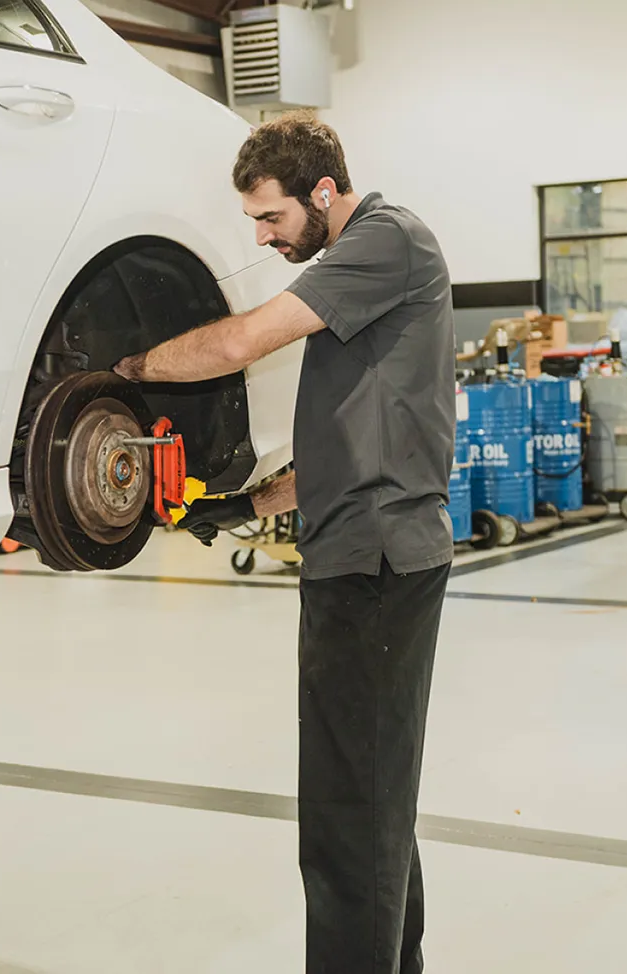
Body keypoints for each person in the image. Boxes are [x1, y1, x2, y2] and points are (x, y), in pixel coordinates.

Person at [114, 111, 456, 974]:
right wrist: (247, 503)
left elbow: (240, 341)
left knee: (349, 811)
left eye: (272, 218)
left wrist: (127, 370)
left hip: (375, 563)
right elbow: (357, 432)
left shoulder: (385, 243)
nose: (265, 238)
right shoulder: (365, 268)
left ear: (325, 192)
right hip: (361, 551)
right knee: (374, 795)